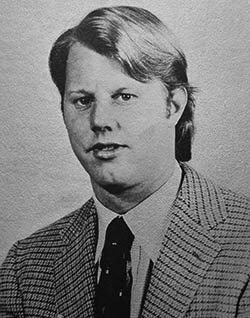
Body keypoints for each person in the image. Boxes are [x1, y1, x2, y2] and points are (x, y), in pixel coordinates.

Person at [0, 5, 250, 318]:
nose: (100, 120)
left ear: (173, 105)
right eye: (82, 100)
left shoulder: (244, 248)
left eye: (124, 96)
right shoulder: (25, 268)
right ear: (62, 110)